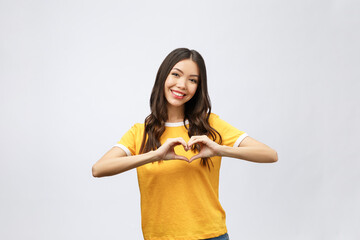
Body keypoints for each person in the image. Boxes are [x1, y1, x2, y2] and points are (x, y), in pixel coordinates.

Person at [92, 48, 278, 240]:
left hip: (210, 236)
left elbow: (270, 155)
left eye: (192, 80)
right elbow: (98, 169)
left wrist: (220, 150)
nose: (182, 85)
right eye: (176, 74)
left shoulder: (210, 125)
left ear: (198, 87)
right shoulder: (141, 132)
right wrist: (155, 155)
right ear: (163, 76)